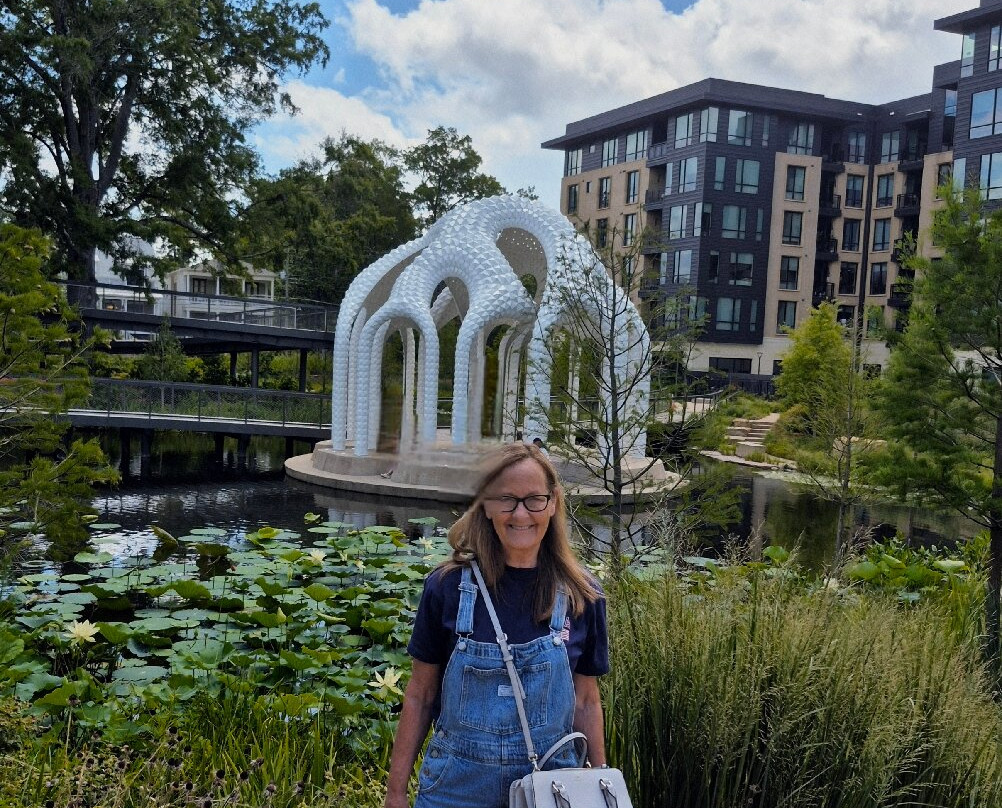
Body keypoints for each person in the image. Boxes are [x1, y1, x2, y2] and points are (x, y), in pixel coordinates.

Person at [384, 442, 609, 808]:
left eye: (534, 499)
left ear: (552, 503)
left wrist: (602, 786)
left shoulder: (582, 595)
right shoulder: (446, 588)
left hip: (552, 788)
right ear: (486, 505)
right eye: (506, 499)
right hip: (455, 789)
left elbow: (586, 700)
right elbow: (420, 695)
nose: (521, 514)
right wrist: (395, 794)